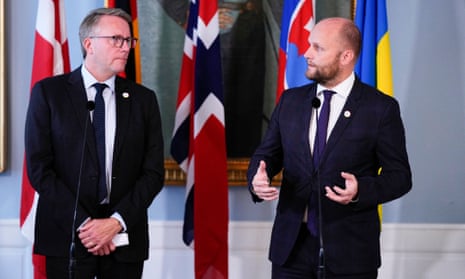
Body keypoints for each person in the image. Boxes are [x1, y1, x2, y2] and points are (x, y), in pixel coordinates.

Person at [247, 17, 412, 279]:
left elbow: (400, 177)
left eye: (318, 48)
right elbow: (267, 155)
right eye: (309, 45)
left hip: (351, 253)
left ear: (345, 56)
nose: (307, 54)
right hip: (291, 249)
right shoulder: (291, 101)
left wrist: (361, 190)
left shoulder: (380, 108)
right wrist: (257, 176)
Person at [25, 8, 164, 279]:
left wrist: (115, 223)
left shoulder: (144, 100)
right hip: (68, 238)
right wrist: (87, 226)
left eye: (129, 41)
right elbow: (40, 170)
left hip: (124, 240)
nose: (126, 48)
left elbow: (153, 173)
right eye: (116, 39)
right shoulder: (49, 94)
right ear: (89, 44)